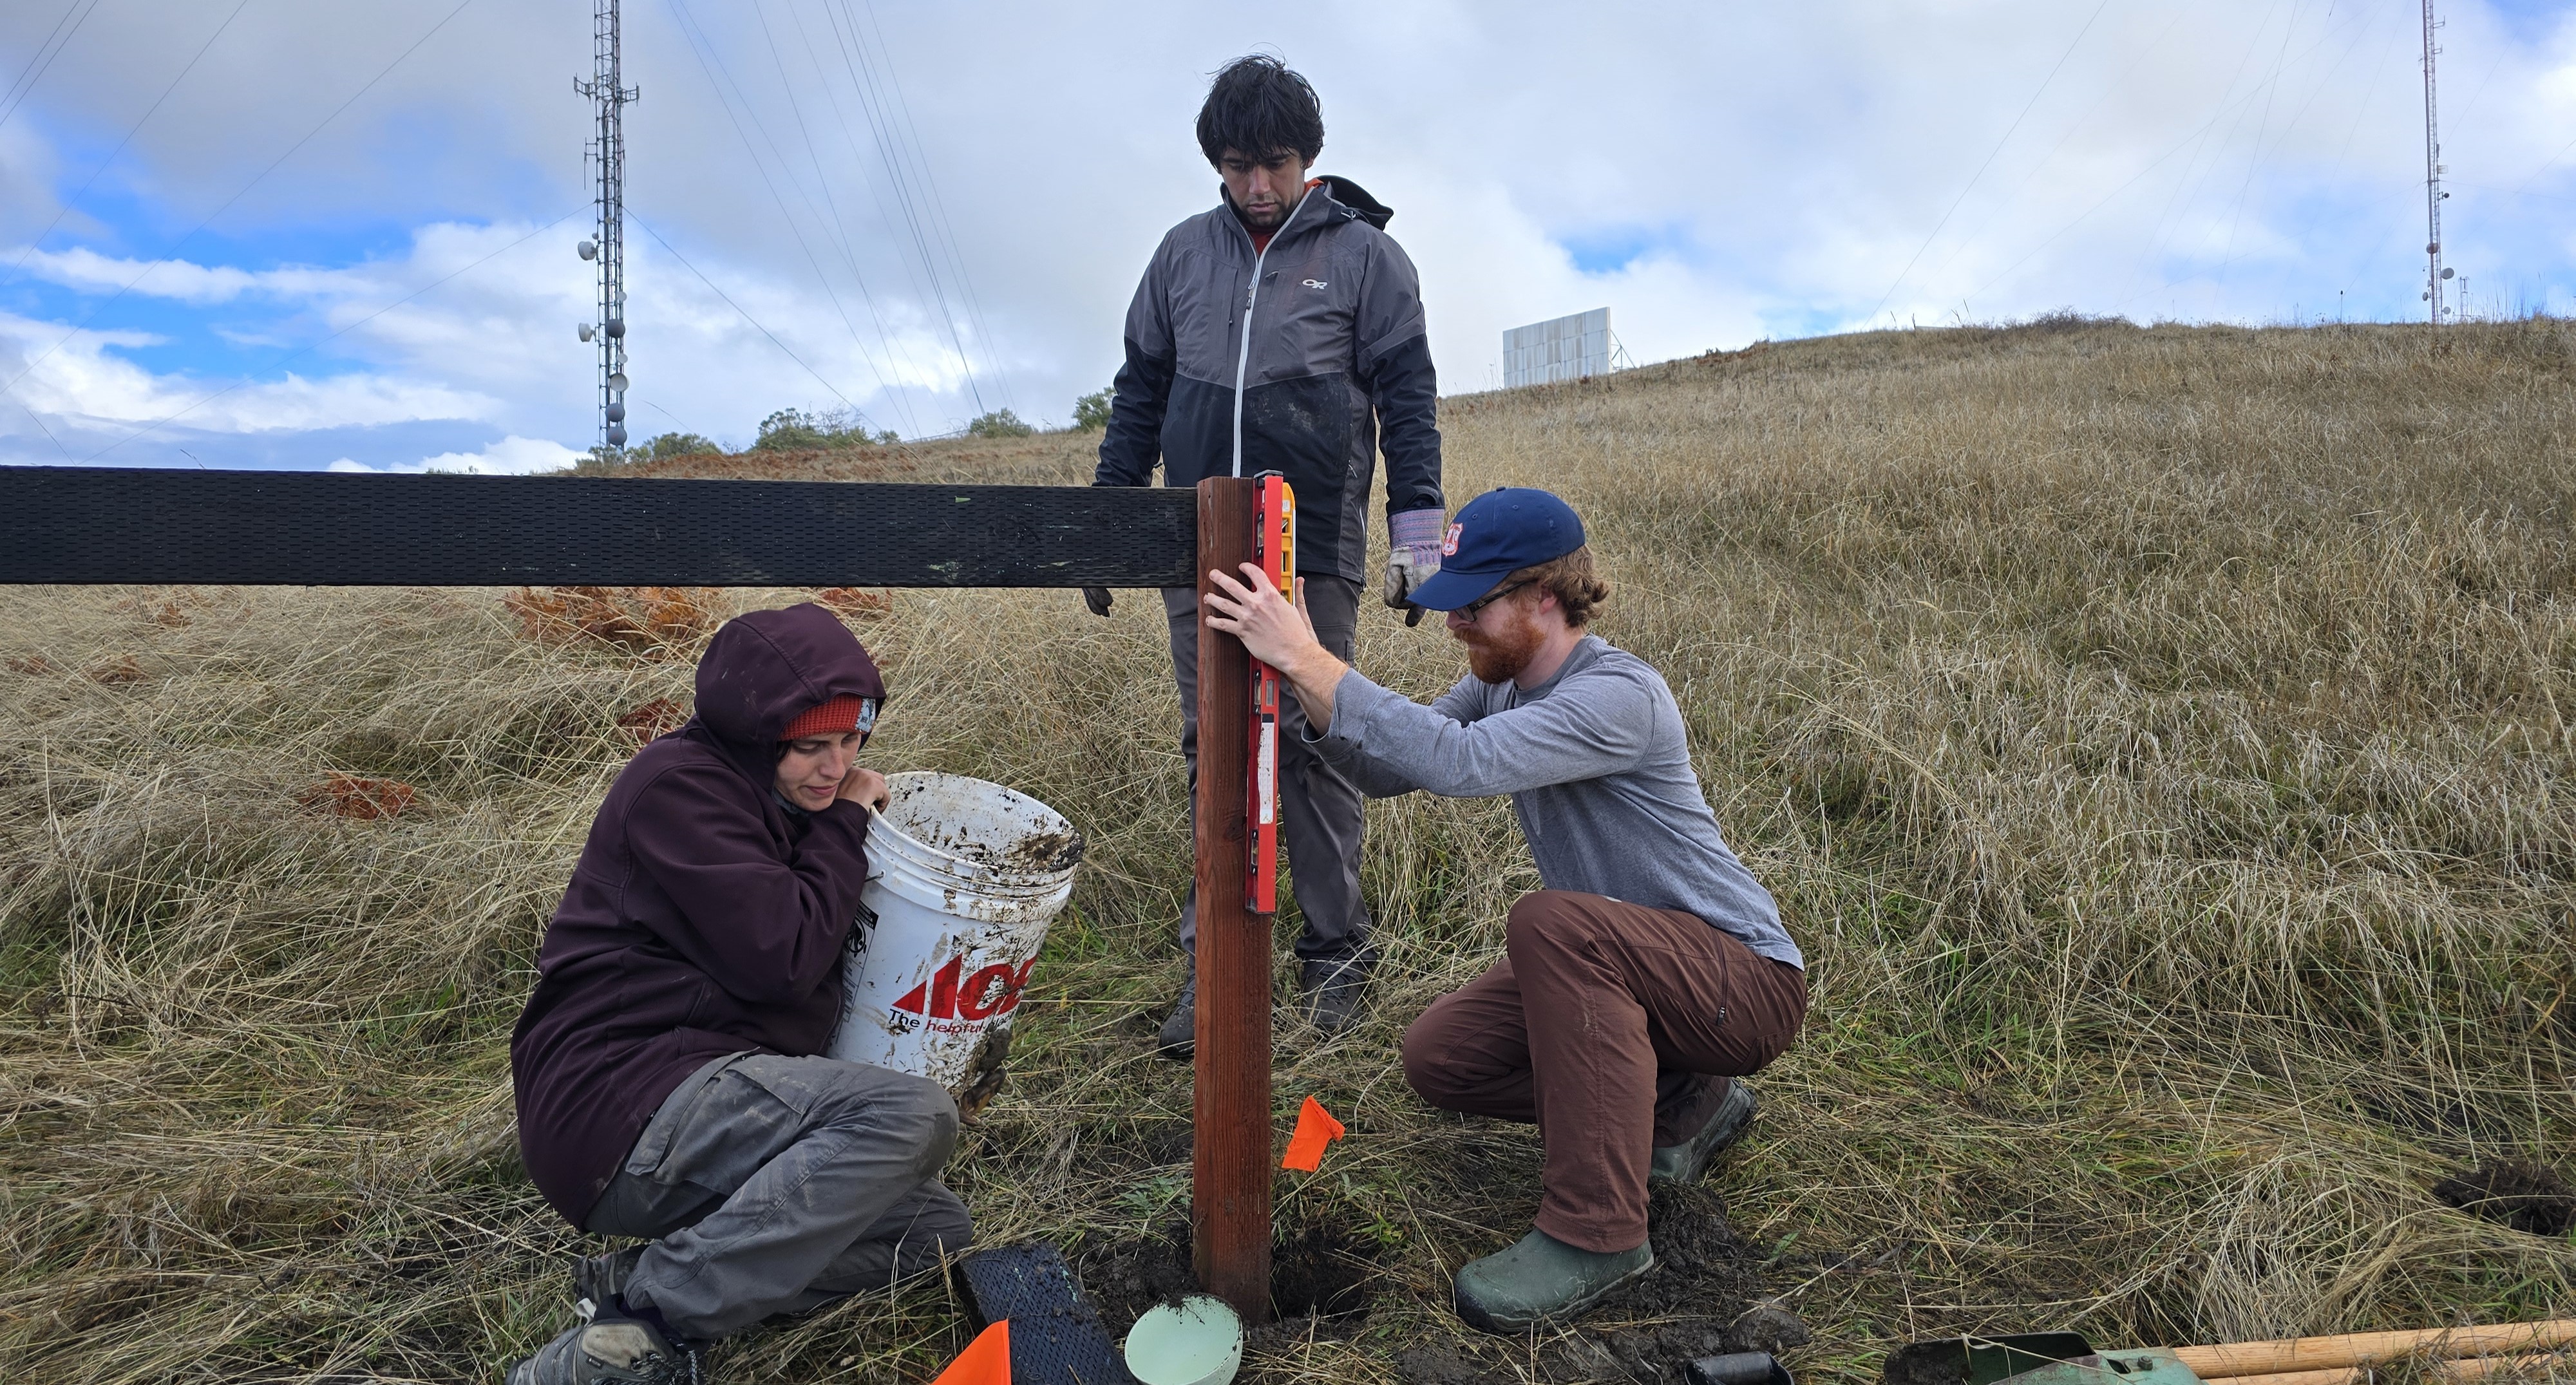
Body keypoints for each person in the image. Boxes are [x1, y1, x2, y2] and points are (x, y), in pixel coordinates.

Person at [1202, 487, 1807, 1332]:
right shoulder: (1500, 683)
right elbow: (1390, 765)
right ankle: (1686, 1104)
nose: (1455, 622)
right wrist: (1305, 676)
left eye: (1473, 604)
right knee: (1441, 1057)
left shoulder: (1618, 696)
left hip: (1744, 981)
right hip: (1648, 977)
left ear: (1543, 599)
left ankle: (1598, 1231)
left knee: (1550, 924)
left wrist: (1312, 659)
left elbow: (1455, 761)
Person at [507, 603, 972, 1385]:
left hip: (704, 1093)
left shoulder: (787, 801)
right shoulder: (678, 788)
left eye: (852, 741)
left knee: (930, 1232)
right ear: (757, 740)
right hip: (620, 1101)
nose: (836, 767)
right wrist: (845, 825)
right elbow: (783, 956)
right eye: (810, 748)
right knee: (910, 1115)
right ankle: (637, 1337)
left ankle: (628, 1287)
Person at [1085, 54, 1447, 1051]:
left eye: (1276, 164)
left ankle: (1336, 951)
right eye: (1240, 165)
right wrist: (1107, 527)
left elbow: (1410, 405)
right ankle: (1219, 964)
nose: (1258, 186)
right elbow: (1139, 398)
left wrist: (1419, 540)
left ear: (1309, 158)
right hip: (1192, 544)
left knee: (1317, 737)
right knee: (1216, 744)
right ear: (1217, 162)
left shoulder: (1367, 258)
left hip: (1312, 547)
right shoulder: (1179, 256)